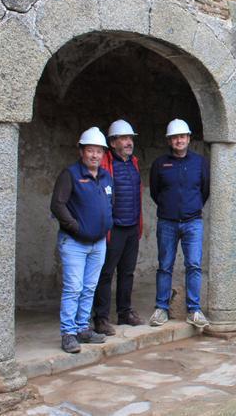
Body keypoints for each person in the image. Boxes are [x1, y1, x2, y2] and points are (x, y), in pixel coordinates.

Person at [50, 127, 113, 353]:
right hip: (75, 243)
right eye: (90, 151)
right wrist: (75, 226)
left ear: (104, 153)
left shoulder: (105, 176)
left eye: (99, 151)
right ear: (81, 152)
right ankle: (68, 333)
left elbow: (107, 203)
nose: (94, 155)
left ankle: (82, 328)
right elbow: (57, 205)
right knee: (73, 288)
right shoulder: (70, 175)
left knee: (89, 288)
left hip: (98, 243)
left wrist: (106, 223)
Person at [149, 119, 210, 329]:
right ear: (169, 140)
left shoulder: (200, 162)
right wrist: (170, 208)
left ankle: (194, 310)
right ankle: (161, 309)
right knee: (165, 266)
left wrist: (191, 207)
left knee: (193, 265)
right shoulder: (160, 164)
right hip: (167, 222)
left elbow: (205, 190)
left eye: (182, 137)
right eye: (175, 137)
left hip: (193, 222)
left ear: (188, 138)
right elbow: (155, 192)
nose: (179, 140)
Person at [93, 120, 144, 336]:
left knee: (127, 272)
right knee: (106, 273)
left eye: (130, 138)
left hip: (131, 225)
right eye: (123, 139)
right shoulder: (104, 164)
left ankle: (124, 312)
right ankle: (101, 318)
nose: (128, 142)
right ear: (112, 143)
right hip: (113, 228)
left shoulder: (133, 163)